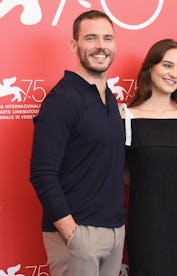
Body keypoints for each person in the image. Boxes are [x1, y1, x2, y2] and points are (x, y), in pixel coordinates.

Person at [29, 10, 125, 276]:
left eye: (107, 38)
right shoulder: (62, 99)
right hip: (78, 234)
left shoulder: (111, 98)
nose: (100, 46)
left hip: (115, 231)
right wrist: (74, 235)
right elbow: (41, 174)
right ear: (74, 45)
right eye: (91, 38)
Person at [120, 39, 177, 276]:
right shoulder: (126, 117)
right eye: (167, 65)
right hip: (145, 229)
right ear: (150, 67)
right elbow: (123, 176)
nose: (174, 74)